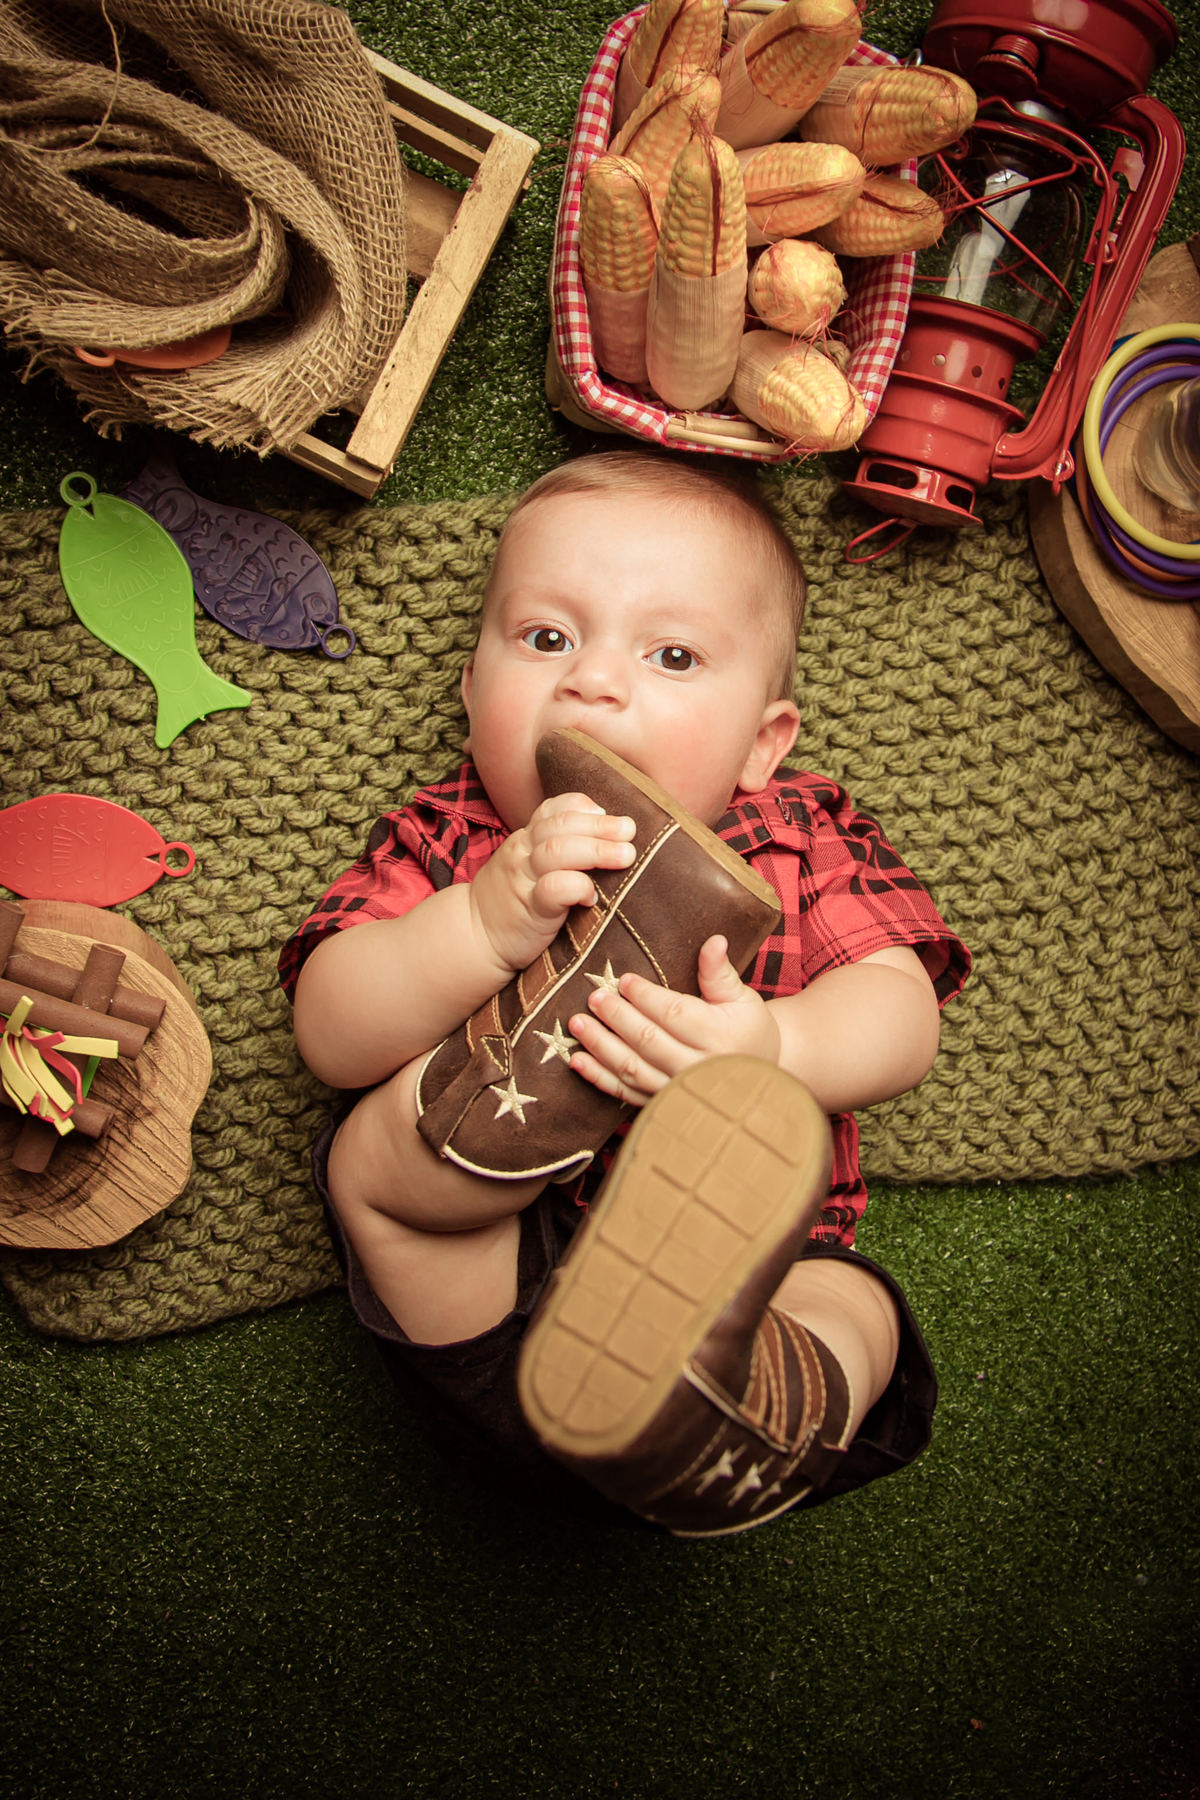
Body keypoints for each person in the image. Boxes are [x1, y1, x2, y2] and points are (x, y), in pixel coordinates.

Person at [279, 450, 970, 1535]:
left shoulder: (792, 836)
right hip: (493, 1293)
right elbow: (329, 1029)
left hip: (734, 1303)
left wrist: (770, 1050)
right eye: (547, 638)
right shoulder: (460, 839)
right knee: (375, 1160)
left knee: (848, 1300)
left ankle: (763, 1400)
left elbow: (900, 1017)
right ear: (471, 696)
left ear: (763, 744)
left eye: (674, 655)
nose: (594, 680)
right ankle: (507, 1134)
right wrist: (477, 926)